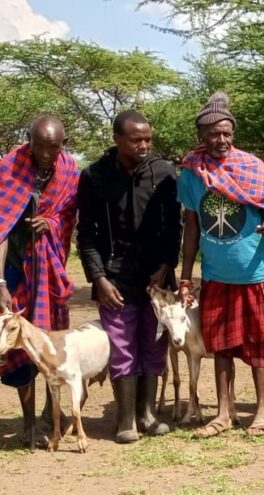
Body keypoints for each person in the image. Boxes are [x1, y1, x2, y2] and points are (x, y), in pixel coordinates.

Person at [176, 92, 264, 437]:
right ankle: (225, 413)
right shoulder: (192, 174)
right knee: (220, 345)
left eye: (226, 133)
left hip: (254, 271)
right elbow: (191, 227)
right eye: (213, 134)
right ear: (202, 138)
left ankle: (263, 411)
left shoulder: (253, 167)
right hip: (216, 274)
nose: (221, 140)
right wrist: (186, 276)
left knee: (259, 346)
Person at [77, 110, 181, 443]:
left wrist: (166, 265)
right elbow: (86, 234)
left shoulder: (164, 173)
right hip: (115, 277)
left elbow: (173, 226)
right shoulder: (94, 176)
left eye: (148, 139)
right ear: (117, 139)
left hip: (156, 278)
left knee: (154, 342)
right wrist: (98, 278)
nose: (144, 145)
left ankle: (148, 413)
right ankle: (125, 419)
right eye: (136, 139)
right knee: (121, 347)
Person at [0, 116, 78, 446]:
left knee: (48, 340)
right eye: (40, 146)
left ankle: (50, 416)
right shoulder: (9, 167)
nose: (46, 153)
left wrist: (50, 221)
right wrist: (0, 282)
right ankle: (29, 422)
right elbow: (0, 228)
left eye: (54, 147)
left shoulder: (70, 171)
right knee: (18, 342)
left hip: (48, 268)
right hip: (15, 267)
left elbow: (69, 215)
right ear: (28, 140)